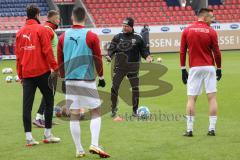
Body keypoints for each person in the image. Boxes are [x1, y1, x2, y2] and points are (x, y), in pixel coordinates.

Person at [57, 7, 110, 158]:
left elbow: (59, 61)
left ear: (72, 18)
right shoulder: (91, 36)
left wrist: (63, 78)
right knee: (96, 111)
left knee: (74, 114)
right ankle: (94, 143)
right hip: (86, 79)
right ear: (85, 19)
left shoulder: (63, 37)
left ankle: (79, 149)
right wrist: (101, 76)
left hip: (70, 80)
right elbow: (98, 59)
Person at [15, 4, 60, 146]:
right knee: (49, 100)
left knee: (26, 105)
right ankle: (47, 134)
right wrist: (55, 67)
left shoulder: (20, 32)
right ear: (37, 15)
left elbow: (18, 56)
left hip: (27, 74)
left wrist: (20, 75)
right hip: (42, 72)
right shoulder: (41, 29)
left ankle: (29, 138)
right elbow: (47, 51)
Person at [180, 8, 222, 137]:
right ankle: (212, 129)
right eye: (211, 17)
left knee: (191, 99)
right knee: (212, 98)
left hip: (195, 68)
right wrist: (219, 68)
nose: (213, 20)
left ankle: (190, 130)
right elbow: (217, 52)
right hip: (209, 67)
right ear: (204, 17)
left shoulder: (187, 30)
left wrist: (183, 69)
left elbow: (182, 51)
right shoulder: (212, 31)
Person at [106, 17, 153, 119]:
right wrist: (109, 56)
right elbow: (111, 49)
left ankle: (135, 111)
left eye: (126, 26)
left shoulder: (138, 37)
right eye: (123, 25)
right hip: (120, 67)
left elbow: (144, 50)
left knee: (135, 89)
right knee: (114, 88)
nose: (124, 27)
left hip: (133, 67)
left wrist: (148, 57)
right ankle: (113, 109)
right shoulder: (117, 37)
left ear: (131, 26)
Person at [33, 10, 60, 128]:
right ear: (53, 18)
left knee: (50, 93)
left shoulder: (48, 29)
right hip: (51, 68)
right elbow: (45, 50)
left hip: (51, 67)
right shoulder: (47, 30)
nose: (59, 21)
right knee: (49, 93)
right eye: (58, 19)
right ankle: (39, 117)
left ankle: (43, 118)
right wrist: (52, 67)